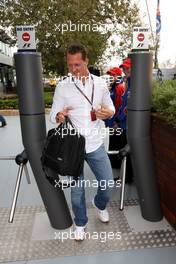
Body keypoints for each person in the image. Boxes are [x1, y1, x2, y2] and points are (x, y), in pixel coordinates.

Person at [50, 43, 115, 241]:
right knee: (77, 193)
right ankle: (80, 222)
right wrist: (59, 116)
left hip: (96, 143)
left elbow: (110, 108)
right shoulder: (63, 86)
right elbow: (53, 115)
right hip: (73, 147)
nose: (73, 69)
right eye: (70, 65)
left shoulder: (101, 84)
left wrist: (108, 112)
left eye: (77, 65)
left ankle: (99, 204)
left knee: (108, 184)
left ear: (86, 61)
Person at [117, 57, 134, 183]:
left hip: (128, 125)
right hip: (123, 124)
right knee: (124, 152)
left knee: (126, 152)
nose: (125, 70)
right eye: (124, 68)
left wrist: (119, 119)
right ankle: (125, 176)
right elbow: (123, 105)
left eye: (127, 67)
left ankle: (126, 178)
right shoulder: (128, 81)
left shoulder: (135, 83)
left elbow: (129, 107)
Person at [105, 67, 124, 168]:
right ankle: (113, 164)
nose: (111, 77)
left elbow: (120, 106)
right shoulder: (113, 87)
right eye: (110, 75)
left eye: (113, 75)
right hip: (112, 122)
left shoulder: (119, 87)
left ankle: (116, 166)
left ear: (118, 75)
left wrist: (117, 122)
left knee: (116, 144)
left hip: (116, 123)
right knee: (113, 143)